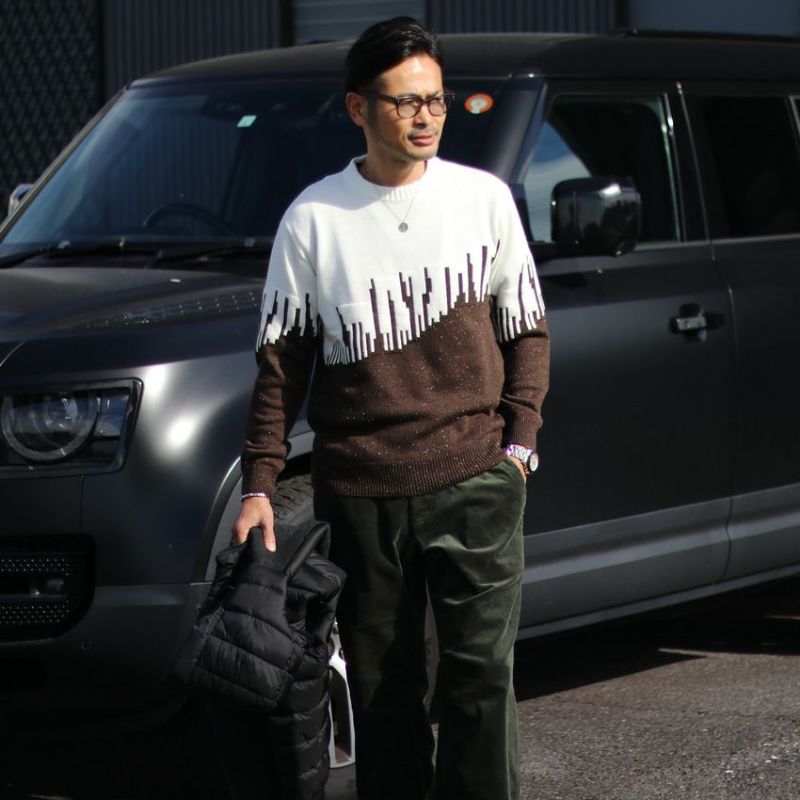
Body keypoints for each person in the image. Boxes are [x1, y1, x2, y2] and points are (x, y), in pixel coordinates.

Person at [233, 16, 549, 800]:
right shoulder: (314, 219)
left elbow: (526, 328)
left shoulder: (482, 200)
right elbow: (281, 366)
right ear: (358, 108)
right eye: (406, 101)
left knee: (481, 684)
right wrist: (261, 483)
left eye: (436, 100)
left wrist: (519, 444)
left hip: (476, 480)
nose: (425, 117)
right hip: (362, 490)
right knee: (384, 694)